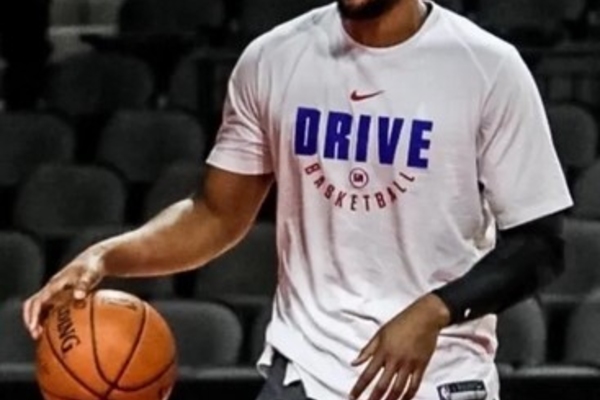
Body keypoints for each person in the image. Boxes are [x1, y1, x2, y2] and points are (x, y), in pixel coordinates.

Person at [23, 0, 573, 399]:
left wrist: (435, 310)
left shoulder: (487, 68)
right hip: (304, 373)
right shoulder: (274, 59)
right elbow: (216, 215)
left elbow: (539, 246)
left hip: (435, 378)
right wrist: (105, 256)